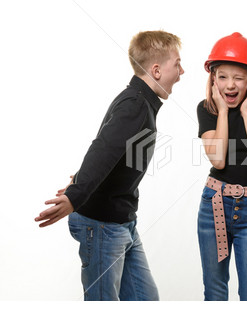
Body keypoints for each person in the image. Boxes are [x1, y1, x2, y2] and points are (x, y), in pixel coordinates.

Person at [34, 30, 184, 301]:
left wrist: (80, 178)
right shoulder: (136, 105)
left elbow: (115, 154)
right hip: (101, 224)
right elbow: (102, 149)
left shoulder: (140, 101)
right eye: (177, 64)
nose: (182, 71)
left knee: (146, 301)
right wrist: (75, 195)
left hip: (122, 222)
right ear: (156, 70)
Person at [196, 32, 247, 301]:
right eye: (223, 77)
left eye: (238, 77)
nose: (230, 85)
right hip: (214, 205)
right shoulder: (206, 109)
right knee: (215, 293)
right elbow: (217, 159)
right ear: (213, 78)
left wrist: (245, 112)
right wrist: (222, 111)